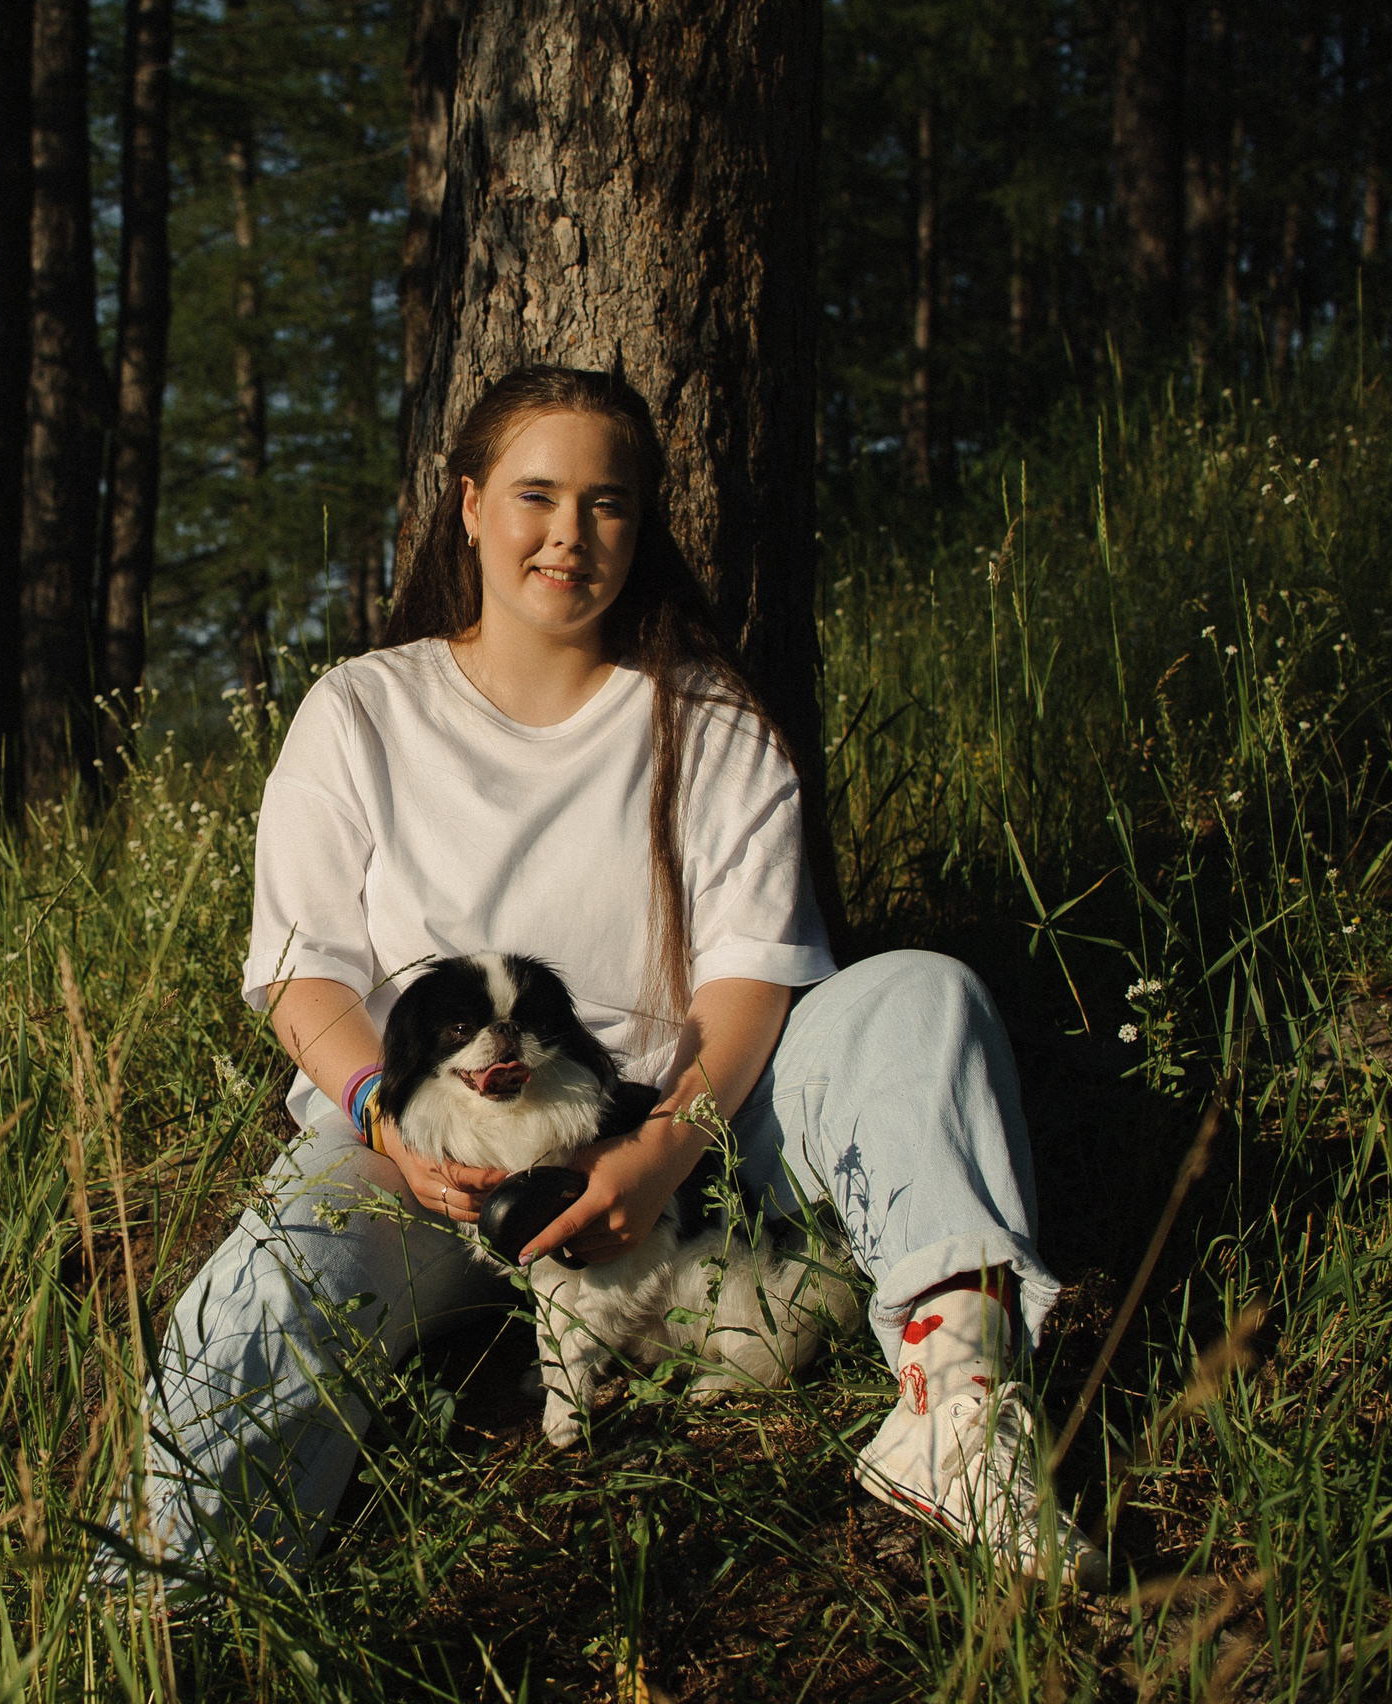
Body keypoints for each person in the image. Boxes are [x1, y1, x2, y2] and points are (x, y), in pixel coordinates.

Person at [129, 366, 1100, 1587]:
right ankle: (169, 1606)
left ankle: (960, 1418)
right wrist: (380, 1114)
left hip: (687, 1144)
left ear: (640, 526)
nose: (569, 535)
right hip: (423, 1160)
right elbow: (299, 974)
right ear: (470, 506)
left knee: (920, 993)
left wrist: (660, 1151)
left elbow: (753, 981)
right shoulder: (362, 711)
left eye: (609, 504)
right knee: (274, 1278)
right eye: (536, 495)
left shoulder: (708, 719)